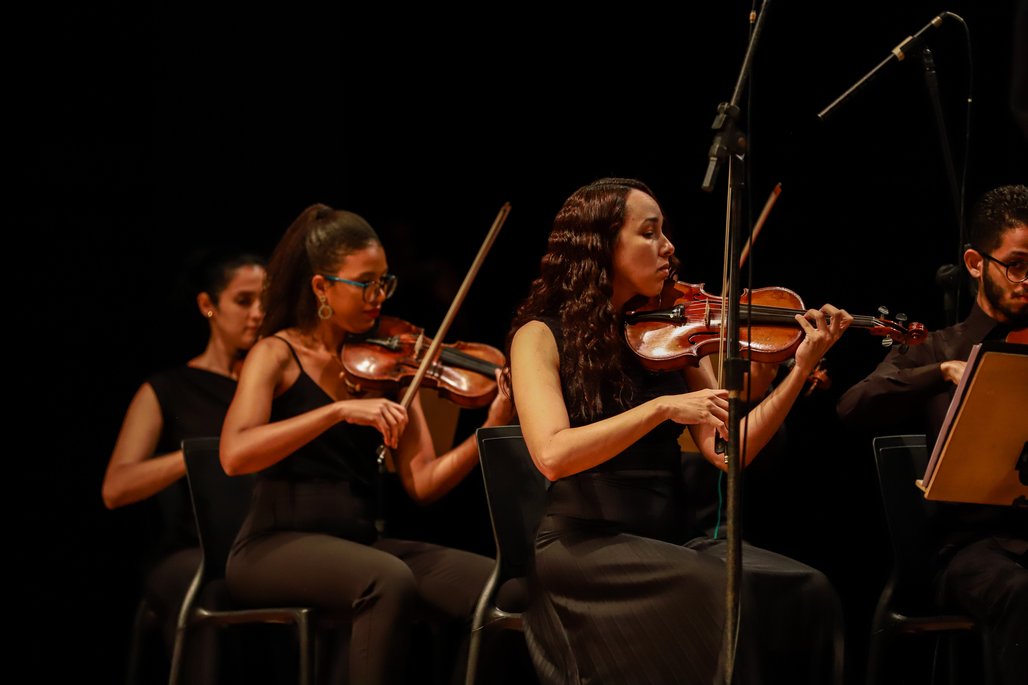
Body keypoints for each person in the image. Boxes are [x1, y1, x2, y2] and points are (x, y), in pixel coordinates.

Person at [505, 177, 853, 685]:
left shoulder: (670, 333)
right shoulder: (539, 336)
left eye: (664, 232)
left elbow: (730, 451)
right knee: (719, 593)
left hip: (667, 538)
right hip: (583, 546)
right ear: (601, 245)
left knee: (809, 588)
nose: (668, 246)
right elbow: (553, 455)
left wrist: (799, 371)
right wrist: (661, 408)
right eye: (649, 233)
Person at [219, 203, 516, 685]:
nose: (379, 297)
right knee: (387, 580)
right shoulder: (276, 353)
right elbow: (234, 455)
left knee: (500, 589)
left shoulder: (389, 362)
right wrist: (336, 411)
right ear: (322, 287)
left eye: (384, 282)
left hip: (358, 543)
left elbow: (423, 482)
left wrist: (491, 425)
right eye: (365, 284)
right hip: (271, 545)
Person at [837, 183, 1028, 685]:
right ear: (975, 263)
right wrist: (940, 372)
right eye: (1017, 265)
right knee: (1020, 593)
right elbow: (853, 406)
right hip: (969, 549)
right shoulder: (936, 347)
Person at [101, 249, 267, 676]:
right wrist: (199, 455)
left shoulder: (270, 386)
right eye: (244, 301)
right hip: (190, 551)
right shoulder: (168, 389)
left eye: (265, 302)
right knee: (211, 587)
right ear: (208, 304)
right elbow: (116, 488)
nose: (258, 313)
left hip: (261, 547)